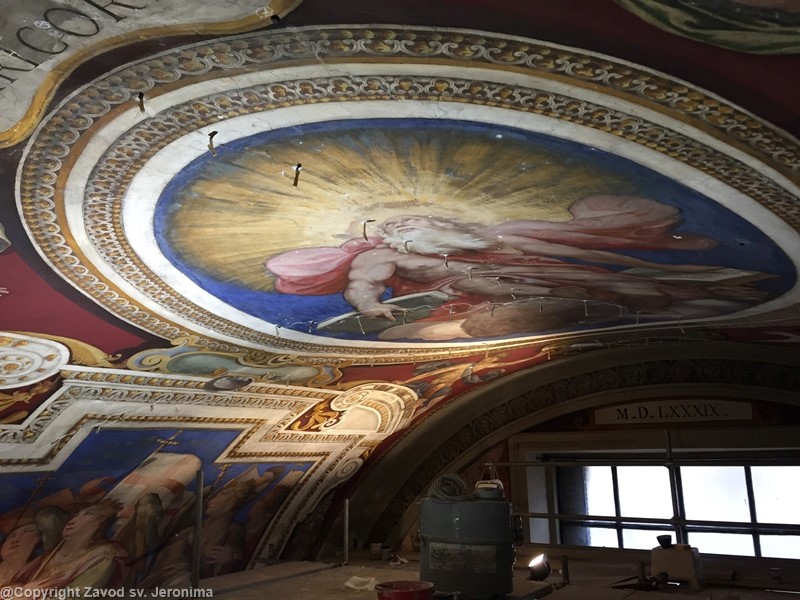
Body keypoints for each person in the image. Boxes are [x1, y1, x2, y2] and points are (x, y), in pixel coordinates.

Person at [266, 196, 769, 340]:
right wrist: (372, 308)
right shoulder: (382, 254)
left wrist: (635, 264)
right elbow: (362, 285)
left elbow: (590, 252)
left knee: (618, 286)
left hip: (521, 269)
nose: (422, 221)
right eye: (410, 221)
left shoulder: (493, 238)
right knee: (601, 298)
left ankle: (705, 294)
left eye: (425, 218)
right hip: (473, 288)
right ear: (395, 231)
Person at [13, 500, 129, 590]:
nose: (73, 520)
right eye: (75, 515)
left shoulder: (103, 556)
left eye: (88, 514)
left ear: (101, 520)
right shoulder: (48, 556)